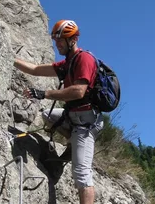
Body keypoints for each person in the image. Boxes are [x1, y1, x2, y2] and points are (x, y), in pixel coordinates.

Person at [13, 19, 104, 204]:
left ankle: (76, 144)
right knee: (47, 115)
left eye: (61, 40)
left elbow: (79, 91)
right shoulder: (66, 64)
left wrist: (44, 93)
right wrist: (10, 58)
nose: (57, 44)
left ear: (73, 40)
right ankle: (72, 145)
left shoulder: (84, 59)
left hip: (86, 124)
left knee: (81, 174)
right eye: (56, 40)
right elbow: (36, 69)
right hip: (72, 118)